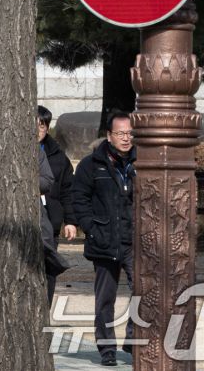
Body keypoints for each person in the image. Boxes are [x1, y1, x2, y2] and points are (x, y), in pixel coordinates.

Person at [72, 110, 136, 367]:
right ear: (109, 135)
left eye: (130, 133)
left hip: (133, 241)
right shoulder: (91, 164)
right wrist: (91, 228)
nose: (126, 138)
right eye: (120, 133)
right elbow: (79, 199)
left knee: (144, 291)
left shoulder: (141, 162)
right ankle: (107, 349)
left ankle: (133, 339)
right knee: (105, 299)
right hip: (103, 240)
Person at [38, 105, 77, 303]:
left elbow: (68, 191)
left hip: (49, 220)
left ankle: (44, 309)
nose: (37, 130)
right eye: (33, 125)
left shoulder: (59, 157)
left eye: (42, 126)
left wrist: (70, 221)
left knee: (49, 269)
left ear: (47, 128)